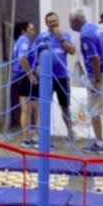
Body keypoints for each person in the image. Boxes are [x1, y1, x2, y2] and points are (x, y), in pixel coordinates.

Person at [70, 9, 103, 152]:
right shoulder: (95, 28)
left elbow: (95, 58)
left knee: (94, 111)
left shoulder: (85, 35)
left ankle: (99, 143)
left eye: (70, 22)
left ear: (75, 22)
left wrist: (95, 78)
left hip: (101, 74)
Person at [30, 12, 76, 143]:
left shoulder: (65, 35)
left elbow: (72, 51)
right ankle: (41, 133)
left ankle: (71, 132)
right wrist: (34, 72)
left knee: (65, 106)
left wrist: (60, 38)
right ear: (46, 24)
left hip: (62, 77)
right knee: (43, 106)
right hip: (46, 78)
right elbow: (33, 55)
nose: (53, 23)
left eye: (54, 21)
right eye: (50, 22)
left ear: (58, 21)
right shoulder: (41, 37)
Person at [10, 21, 39, 146]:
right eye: (31, 29)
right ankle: (35, 137)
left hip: (18, 77)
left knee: (26, 109)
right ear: (23, 30)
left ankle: (27, 139)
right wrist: (30, 74)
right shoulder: (24, 41)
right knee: (34, 107)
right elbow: (22, 58)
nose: (33, 32)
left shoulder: (18, 42)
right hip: (24, 77)